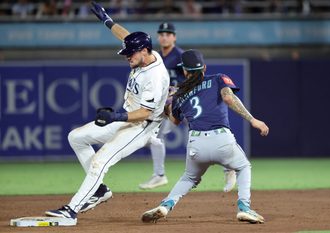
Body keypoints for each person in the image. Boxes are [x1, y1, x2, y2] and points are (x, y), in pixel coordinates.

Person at [44, 1, 170, 222]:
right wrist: (106, 19)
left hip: (141, 126)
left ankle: (71, 211)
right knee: (76, 137)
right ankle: (100, 190)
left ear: (143, 51)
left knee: (99, 162)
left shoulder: (155, 76)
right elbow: (126, 35)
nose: (126, 56)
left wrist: (116, 117)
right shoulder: (145, 52)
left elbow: (145, 113)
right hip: (127, 118)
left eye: (130, 53)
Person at [141, 49, 269, 224]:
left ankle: (166, 204)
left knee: (188, 178)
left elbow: (174, 120)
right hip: (221, 140)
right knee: (243, 167)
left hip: (196, 144)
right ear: (204, 67)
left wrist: (166, 104)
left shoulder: (179, 94)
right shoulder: (218, 78)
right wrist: (253, 120)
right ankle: (244, 207)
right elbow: (229, 99)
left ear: (184, 71)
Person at [139, 22, 237, 192]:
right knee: (154, 136)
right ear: (157, 37)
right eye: (161, 34)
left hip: (188, 100)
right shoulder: (157, 56)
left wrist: (178, 91)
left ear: (174, 37)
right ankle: (159, 175)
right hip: (171, 102)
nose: (164, 36)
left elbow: (196, 76)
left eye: (168, 33)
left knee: (211, 130)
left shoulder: (181, 56)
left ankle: (229, 167)